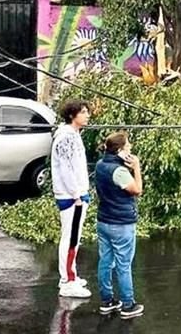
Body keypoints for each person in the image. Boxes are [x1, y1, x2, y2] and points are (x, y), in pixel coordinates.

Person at [95, 132, 144, 319]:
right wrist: (136, 167)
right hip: (121, 223)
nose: (130, 147)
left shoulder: (100, 165)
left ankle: (107, 301)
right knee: (124, 264)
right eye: (128, 145)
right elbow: (137, 190)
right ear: (120, 150)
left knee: (105, 261)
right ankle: (128, 305)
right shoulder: (119, 172)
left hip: (104, 220)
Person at [52, 100, 92, 299]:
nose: (87, 115)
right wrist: (76, 195)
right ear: (71, 115)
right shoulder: (65, 137)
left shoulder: (74, 135)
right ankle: (67, 282)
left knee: (74, 238)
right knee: (70, 239)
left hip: (77, 193)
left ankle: (71, 275)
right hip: (71, 196)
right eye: (83, 112)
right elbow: (65, 168)